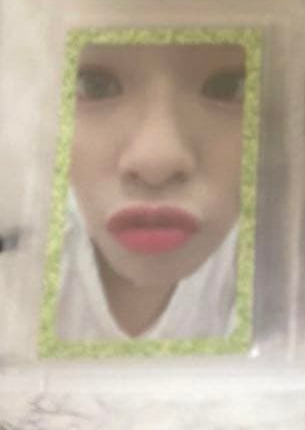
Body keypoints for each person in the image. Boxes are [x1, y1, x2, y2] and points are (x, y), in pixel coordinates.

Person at [57, 41, 247, 341]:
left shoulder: (273, 268)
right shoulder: (25, 257)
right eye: (94, 86)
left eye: (227, 88)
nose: (155, 162)